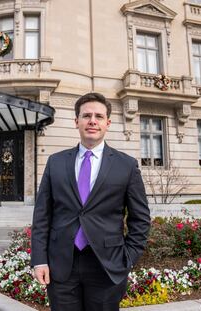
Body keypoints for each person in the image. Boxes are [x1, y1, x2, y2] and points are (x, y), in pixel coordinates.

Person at [31, 92, 151, 311]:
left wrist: (127, 259)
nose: (92, 121)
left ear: (108, 123)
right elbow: (41, 216)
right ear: (76, 121)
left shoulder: (126, 165)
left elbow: (140, 220)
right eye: (86, 115)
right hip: (61, 265)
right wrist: (39, 260)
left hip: (107, 266)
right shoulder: (55, 163)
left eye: (98, 116)